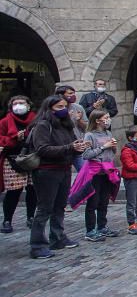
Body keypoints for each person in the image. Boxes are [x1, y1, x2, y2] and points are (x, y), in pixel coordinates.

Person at [27, 95, 88, 259]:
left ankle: (58, 237)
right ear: (50, 109)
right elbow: (42, 149)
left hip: (64, 169)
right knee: (44, 208)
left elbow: (72, 145)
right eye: (59, 107)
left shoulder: (65, 125)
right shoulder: (42, 125)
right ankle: (37, 245)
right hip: (47, 171)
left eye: (64, 107)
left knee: (59, 205)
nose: (64, 110)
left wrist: (79, 147)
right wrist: (70, 147)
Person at [76, 110, 120, 241]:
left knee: (104, 200)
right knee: (93, 201)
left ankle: (102, 226)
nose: (108, 120)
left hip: (107, 171)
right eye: (105, 118)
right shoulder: (89, 135)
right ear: (97, 120)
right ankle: (90, 230)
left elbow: (112, 153)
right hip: (95, 172)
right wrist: (103, 147)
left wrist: (113, 147)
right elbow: (86, 155)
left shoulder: (108, 133)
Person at [1, 95, 37, 234]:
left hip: (31, 157)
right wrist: (14, 138)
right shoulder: (5, 122)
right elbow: (1, 138)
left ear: (28, 105)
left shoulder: (35, 120)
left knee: (32, 189)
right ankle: (7, 220)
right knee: (14, 191)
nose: (18, 106)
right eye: (15, 103)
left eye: (21, 103)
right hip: (12, 159)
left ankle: (31, 217)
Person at [55, 84, 87, 171]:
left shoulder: (78, 108)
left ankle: (78, 185)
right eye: (70, 93)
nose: (73, 96)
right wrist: (65, 118)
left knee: (84, 172)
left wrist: (79, 120)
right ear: (61, 95)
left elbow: (86, 128)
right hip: (61, 146)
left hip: (77, 145)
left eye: (73, 93)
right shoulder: (54, 109)